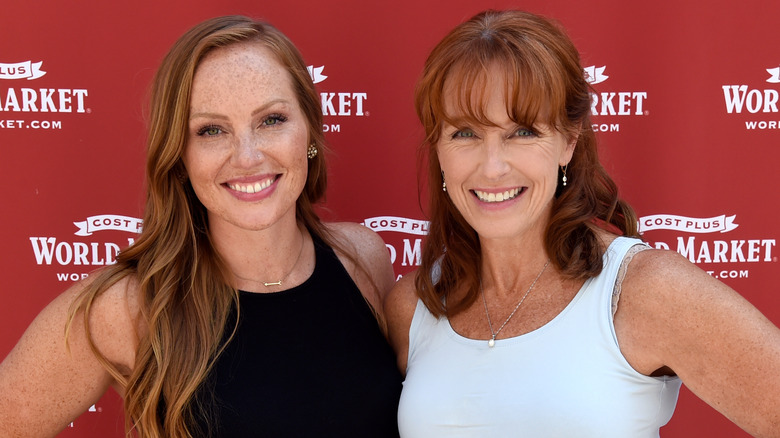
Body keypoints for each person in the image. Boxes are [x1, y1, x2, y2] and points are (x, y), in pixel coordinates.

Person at [0, 16, 402, 438]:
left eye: (271, 120)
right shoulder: (132, 306)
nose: (247, 157)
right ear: (180, 154)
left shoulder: (363, 258)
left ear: (309, 130)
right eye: (211, 130)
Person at [385, 9, 780, 438]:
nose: (493, 167)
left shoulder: (643, 291)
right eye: (465, 133)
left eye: (522, 132)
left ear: (568, 141)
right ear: (438, 149)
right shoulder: (413, 306)